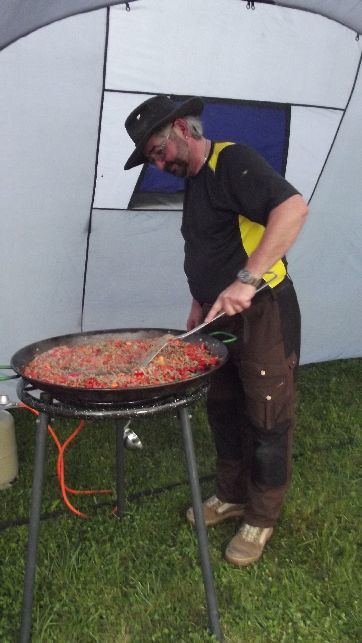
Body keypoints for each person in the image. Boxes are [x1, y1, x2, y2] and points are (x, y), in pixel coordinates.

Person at [124, 95, 308, 567]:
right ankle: (230, 496)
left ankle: (262, 517)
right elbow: (211, 245)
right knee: (223, 406)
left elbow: (293, 209)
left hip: (263, 312)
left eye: (159, 152)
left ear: (183, 130)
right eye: (151, 159)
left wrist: (246, 281)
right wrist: (198, 301)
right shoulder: (196, 182)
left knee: (267, 414)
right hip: (213, 317)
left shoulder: (234, 161)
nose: (159, 164)